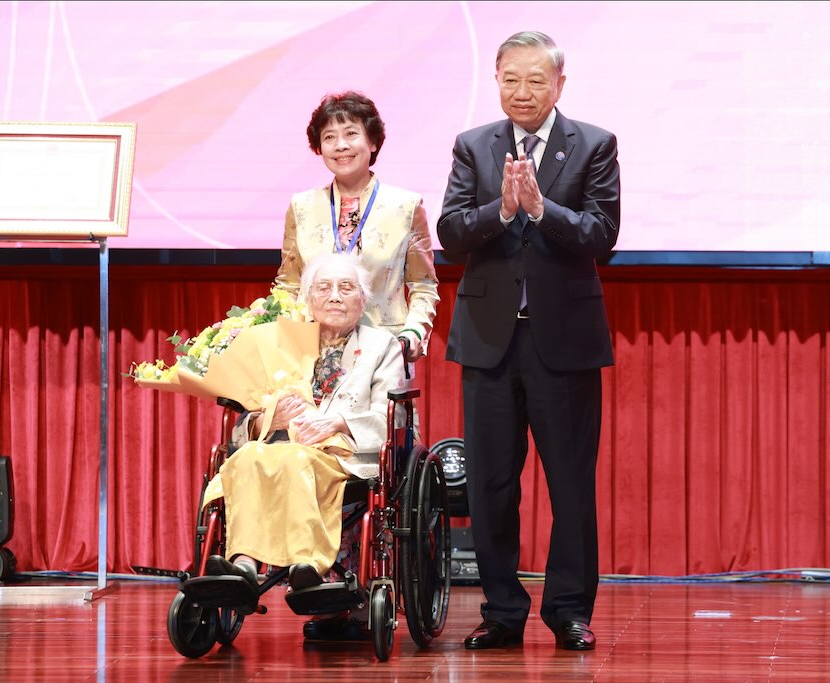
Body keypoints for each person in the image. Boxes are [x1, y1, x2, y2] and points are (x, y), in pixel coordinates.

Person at [437, 31, 620, 651]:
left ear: (559, 85)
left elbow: (601, 236)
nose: (523, 93)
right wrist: (504, 211)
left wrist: (544, 210)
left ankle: (568, 609)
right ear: (495, 79)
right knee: (490, 485)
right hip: (489, 341)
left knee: (570, 483)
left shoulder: (593, 144)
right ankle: (503, 612)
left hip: (562, 343)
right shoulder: (473, 147)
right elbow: (452, 234)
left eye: (536, 81)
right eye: (511, 79)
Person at [204, 251, 405, 641]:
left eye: (346, 288)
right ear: (307, 300)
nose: (334, 296)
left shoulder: (382, 346)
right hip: (275, 449)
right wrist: (266, 421)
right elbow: (245, 421)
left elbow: (392, 416)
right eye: (323, 288)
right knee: (245, 459)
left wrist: (340, 421)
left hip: (339, 457)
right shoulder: (281, 345)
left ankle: (307, 564)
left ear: (362, 300)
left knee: (295, 459)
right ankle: (243, 564)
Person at [275, 91, 440, 363]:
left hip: (385, 352)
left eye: (351, 134)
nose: (340, 145)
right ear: (319, 148)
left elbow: (423, 285)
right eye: (329, 137)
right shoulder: (301, 206)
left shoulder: (406, 206)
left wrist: (412, 332)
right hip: (312, 354)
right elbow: (289, 285)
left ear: (372, 141)